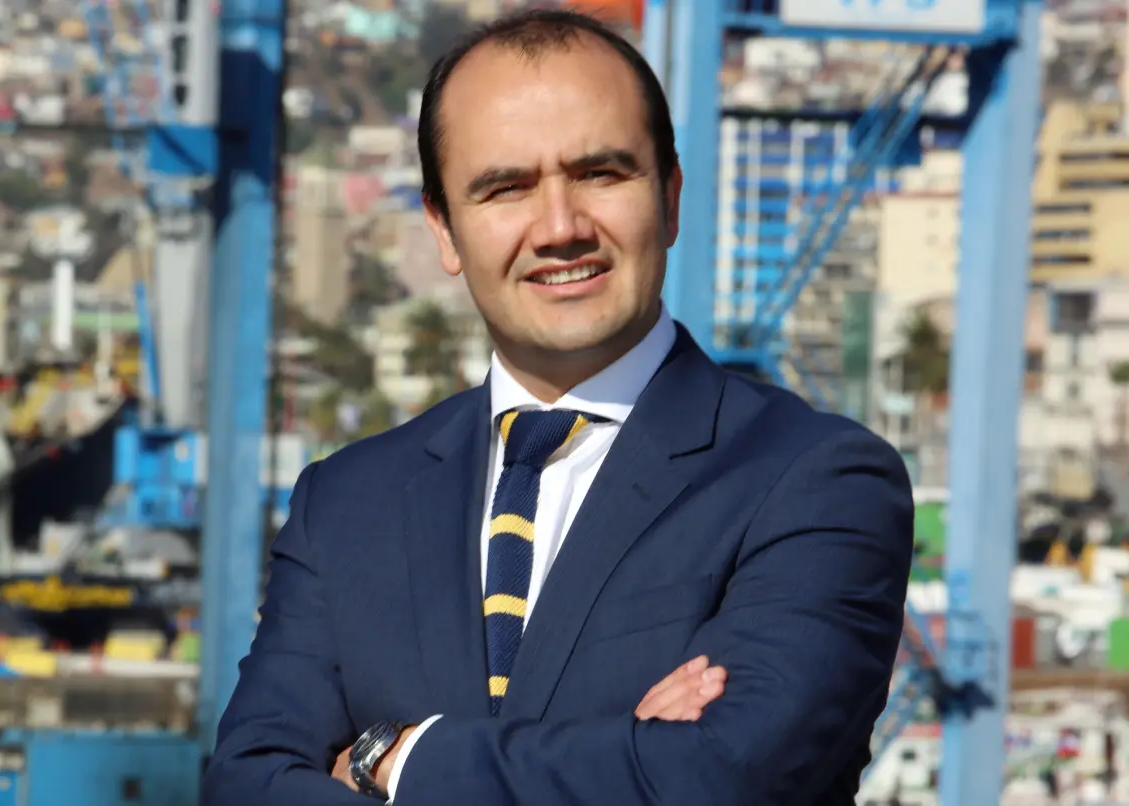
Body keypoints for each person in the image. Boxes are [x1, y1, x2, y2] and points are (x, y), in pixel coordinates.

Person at [203, 8, 913, 805]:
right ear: (444, 230)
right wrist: (625, 754)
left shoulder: (816, 482)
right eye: (506, 188)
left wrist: (393, 761)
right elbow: (244, 786)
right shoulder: (345, 504)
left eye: (601, 174)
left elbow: (724, 776)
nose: (560, 228)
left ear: (671, 198)